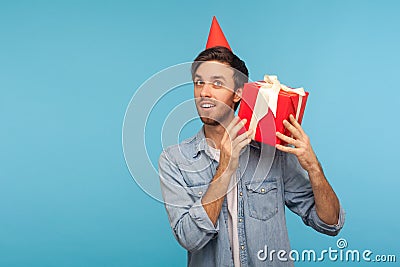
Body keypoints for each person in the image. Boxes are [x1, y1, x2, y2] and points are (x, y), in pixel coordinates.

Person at [158, 17, 345, 267]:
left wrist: (313, 167)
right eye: (199, 82)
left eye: (217, 83)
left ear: (238, 93)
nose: (204, 91)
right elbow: (190, 238)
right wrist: (225, 167)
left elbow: (330, 223)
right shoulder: (175, 160)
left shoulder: (273, 152)